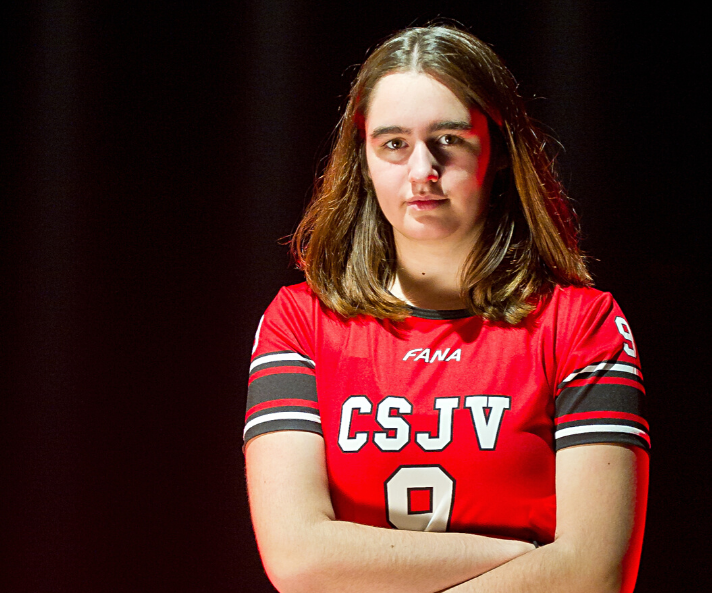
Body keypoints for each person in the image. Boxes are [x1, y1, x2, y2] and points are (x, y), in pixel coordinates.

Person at [243, 24, 650, 593]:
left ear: (499, 151)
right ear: (362, 160)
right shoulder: (300, 322)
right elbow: (297, 558)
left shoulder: (582, 324)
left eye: (450, 139)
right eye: (393, 143)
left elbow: (595, 572)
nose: (421, 171)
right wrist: (524, 556)